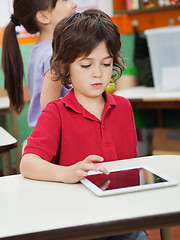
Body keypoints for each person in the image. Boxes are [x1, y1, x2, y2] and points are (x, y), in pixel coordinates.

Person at [20, 9, 147, 240]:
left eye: (106, 64)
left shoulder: (123, 107)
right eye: (86, 65)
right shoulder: (55, 112)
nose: (98, 74)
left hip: (121, 217)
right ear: (64, 66)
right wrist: (67, 172)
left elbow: (131, 167)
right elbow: (28, 164)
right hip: (77, 223)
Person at [1, 0, 77, 127]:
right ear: (43, 16)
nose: (74, 4)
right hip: (54, 135)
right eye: (64, 1)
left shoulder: (41, 49)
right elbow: (50, 109)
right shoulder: (54, 55)